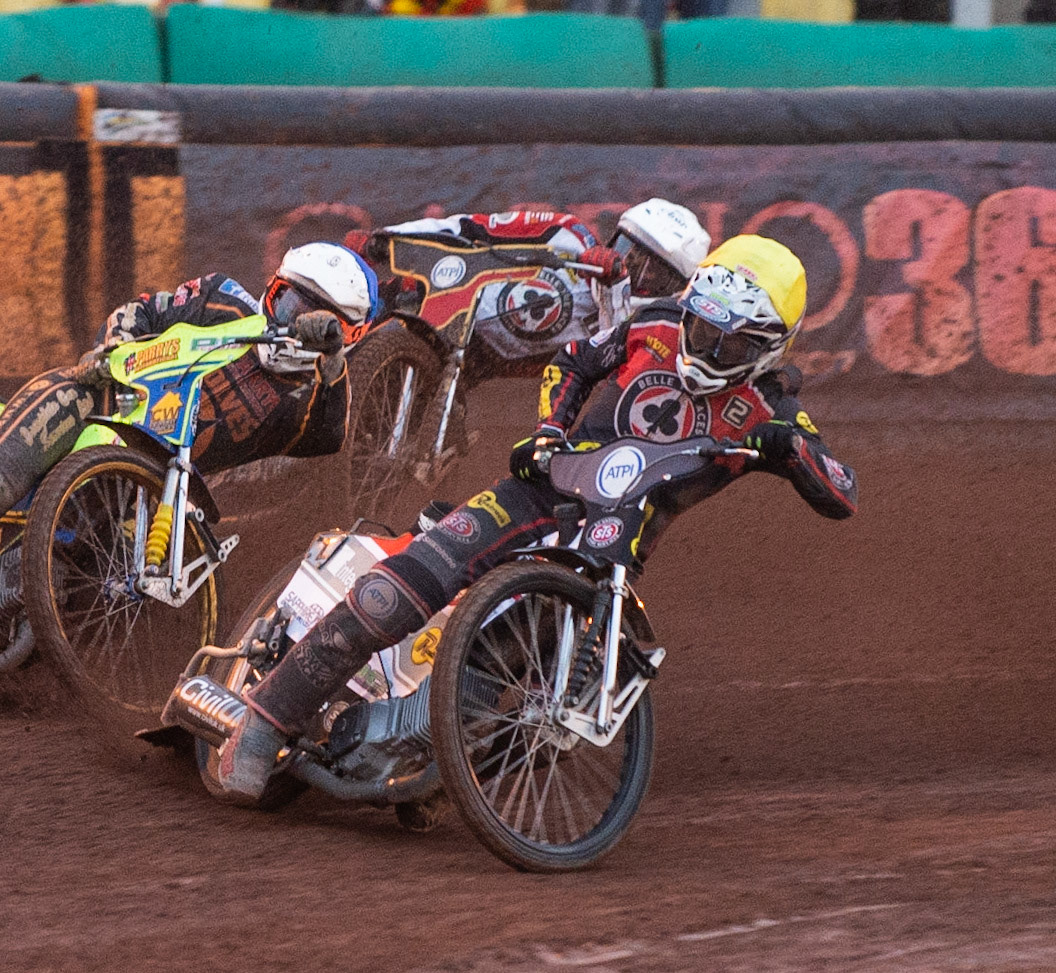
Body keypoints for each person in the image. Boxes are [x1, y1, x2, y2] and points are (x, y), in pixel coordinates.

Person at [209, 234, 858, 803]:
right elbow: (572, 363)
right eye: (701, 324)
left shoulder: (770, 407)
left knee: (486, 679)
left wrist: (794, 451)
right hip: (539, 490)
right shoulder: (653, 324)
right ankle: (262, 724)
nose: (706, 343)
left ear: (770, 346)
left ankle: (425, 775)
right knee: (389, 592)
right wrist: (548, 431)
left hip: (602, 553)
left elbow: (841, 490)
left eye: (729, 339)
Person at [0, 242, 379, 647]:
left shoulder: (307, 406)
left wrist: (331, 365)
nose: (291, 319)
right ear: (271, 289)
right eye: (286, 300)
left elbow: (332, 437)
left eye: (315, 317)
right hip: (90, 402)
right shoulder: (223, 299)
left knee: (124, 582)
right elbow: (140, 311)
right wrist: (112, 350)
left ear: (347, 334)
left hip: (149, 481)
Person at [350, 198, 712, 351]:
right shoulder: (566, 233)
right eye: (627, 252)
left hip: (474, 362)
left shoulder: (646, 327)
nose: (630, 267)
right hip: (433, 297)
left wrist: (617, 289)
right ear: (615, 236)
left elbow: (610, 363)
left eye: (654, 274)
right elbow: (467, 227)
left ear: (674, 288)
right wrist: (387, 238)